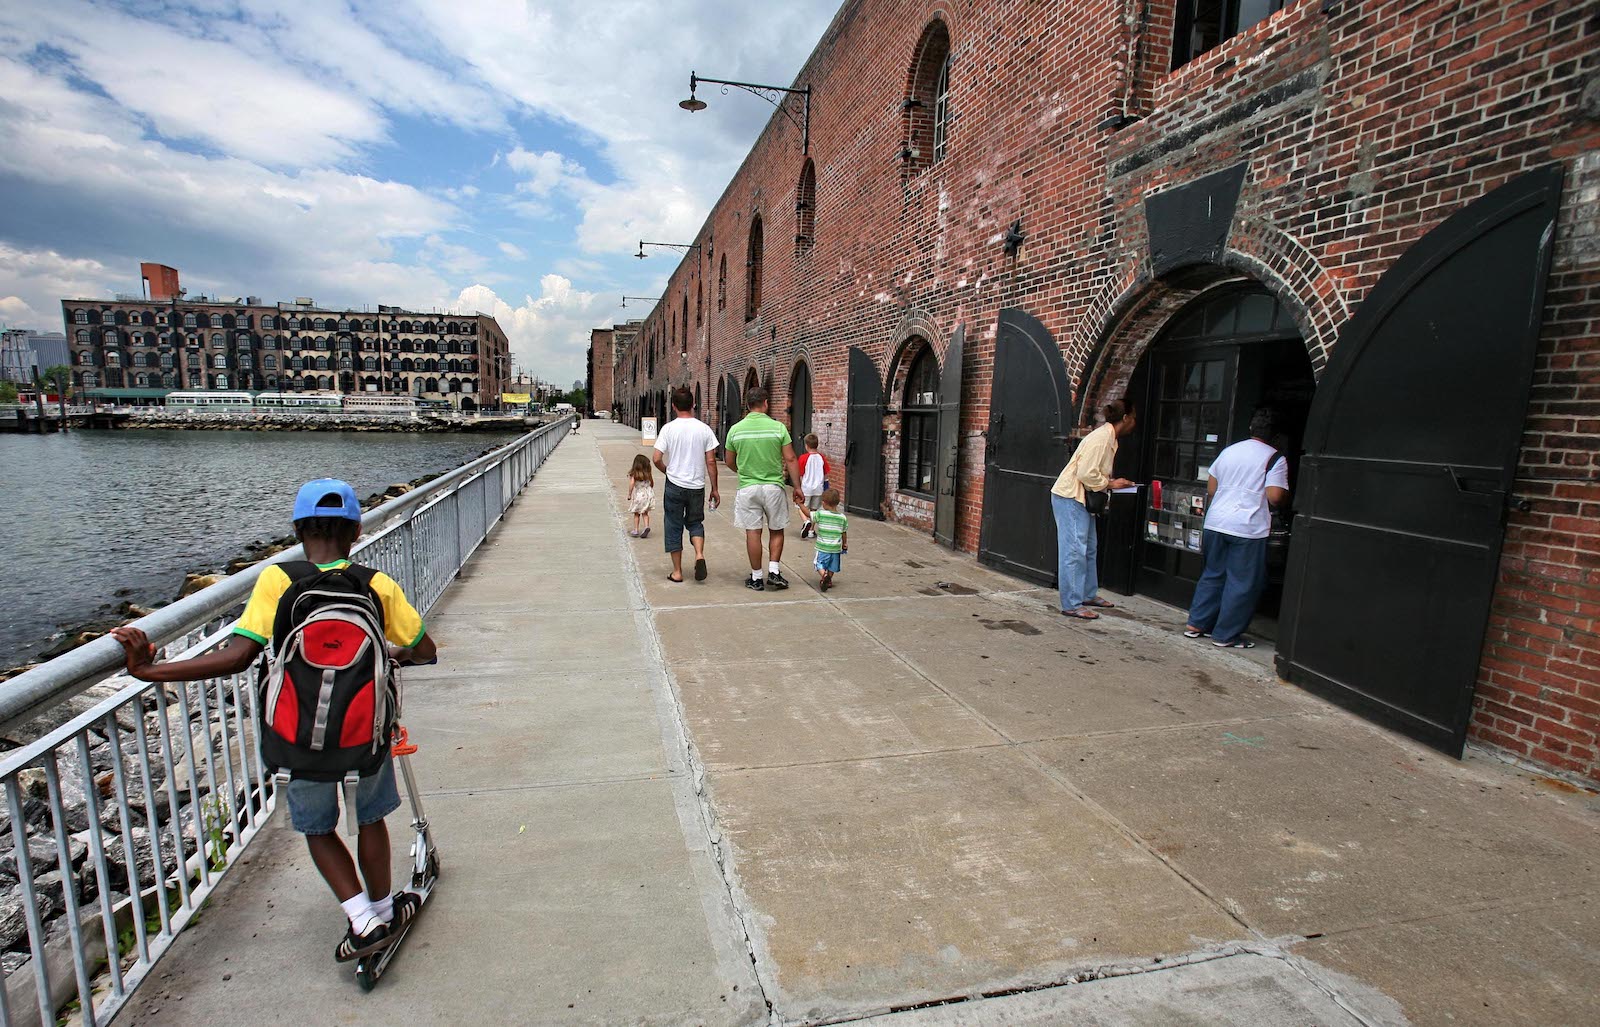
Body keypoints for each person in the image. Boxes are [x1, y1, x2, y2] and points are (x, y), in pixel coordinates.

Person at [109, 478, 437, 962]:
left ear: (298, 531)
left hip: (294, 734)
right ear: (356, 531)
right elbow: (424, 651)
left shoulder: (276, 581)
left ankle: (362, 921)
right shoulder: (375, 584)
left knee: (318, 829)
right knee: (370, 819)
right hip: (363, 733)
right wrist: (392, 655)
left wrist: (149, 669)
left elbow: (239, 656)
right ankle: (385, 909)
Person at [1184, 408, 1291, 648]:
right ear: (1274, 435)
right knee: (1242, 582)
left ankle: (1197, 623)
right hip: (1248, 527)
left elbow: (1212, 488)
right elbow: (1274, 496)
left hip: (1216, 522)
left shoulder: (1229, 451)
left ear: (1251, 429)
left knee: (1213, 573)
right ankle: (1226, 635)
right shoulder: (1275, 459)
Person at [1050, 400, 1137, 620]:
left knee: (1088, 548)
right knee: (1074, 551)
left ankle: (1087, 594)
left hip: (1080, 498)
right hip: (1070, 497)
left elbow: (1091, 472)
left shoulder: (1108, 438)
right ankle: (1071, 603)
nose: (1135, 423)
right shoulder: (1101, 439)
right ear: (1125, 418)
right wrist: (1111, 484)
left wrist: (1110, 482)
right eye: (1133, 418)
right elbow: (1086, 474)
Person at [724, 386, 804, 591]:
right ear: (766, 403)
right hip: (773, 487)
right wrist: (797, 487)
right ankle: (775, 571)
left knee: (753, 532)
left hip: (748, 488)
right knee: (776, 529)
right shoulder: (778, 428)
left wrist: (743, 471)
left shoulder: (735, 430)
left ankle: (756, 577)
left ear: (748, 405)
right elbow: (791, 458)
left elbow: (729, 461)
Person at [653, 385, 720, 582]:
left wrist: (667, 470)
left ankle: (677, 572)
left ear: (673, 406)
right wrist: (715, 489)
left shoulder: (668, 429)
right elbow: (711, 461)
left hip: (674, 484)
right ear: (693, 405)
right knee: (695, 522)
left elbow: (656, 458)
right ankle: (699, 554)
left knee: (673, 525)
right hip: (697, 485)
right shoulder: (704, 429)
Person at [811, 488, 848, 592]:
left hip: (823, 546)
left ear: (824, 503)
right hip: (836, 548)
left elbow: (810, 515)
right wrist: (845, 543)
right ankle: (829, 579)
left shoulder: (821, 514)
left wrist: (800, 505)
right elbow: (844, 532)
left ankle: (824, 575)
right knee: (832, 566)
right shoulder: (842, 517)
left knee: (819, 563)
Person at [795, 433, 830, 539]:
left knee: (801, 506)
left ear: (806, 445)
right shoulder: (822, 458)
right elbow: (826, 474)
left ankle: (806, 521)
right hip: (819, 488)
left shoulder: (803, 458)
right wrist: (826, 487)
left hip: (806, 488)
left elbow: (800, 473)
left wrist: (798, 486)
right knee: (814, 509)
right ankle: (811, 531)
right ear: (817, 445)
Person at [626, 454, 654, 538]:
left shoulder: (634, 474)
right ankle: (646, 526)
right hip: (648, 494)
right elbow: (652, 483)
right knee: (645, 513)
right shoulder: (647, 474)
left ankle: (636, 530)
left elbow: (631, 484)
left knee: (637, 513)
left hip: (639, 495)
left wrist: (629, 494)